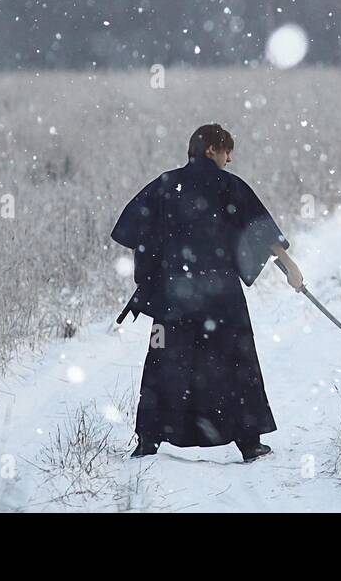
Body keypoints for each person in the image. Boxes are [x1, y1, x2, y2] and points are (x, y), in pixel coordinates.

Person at [111, 123, 305, 462]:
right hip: (222, 297)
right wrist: (290, 267)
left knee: (163, 360)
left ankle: (148, 440)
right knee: (235, 361)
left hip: (174, 296)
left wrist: (151, 274)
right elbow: (260, 231)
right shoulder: (229, 186)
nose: (230, 158)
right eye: (227, 150)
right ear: (212, 150)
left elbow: (134, 228)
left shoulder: (166, 184)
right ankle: (248, 442)